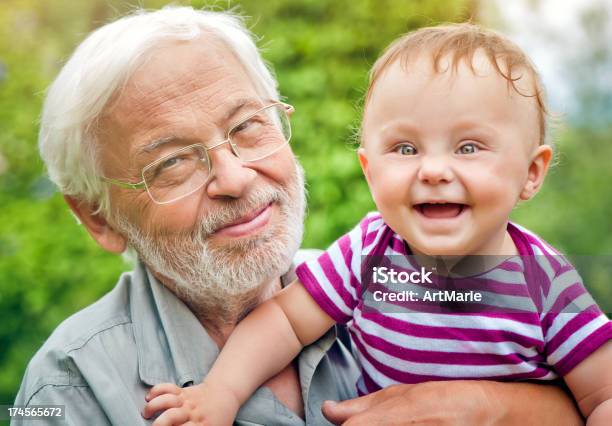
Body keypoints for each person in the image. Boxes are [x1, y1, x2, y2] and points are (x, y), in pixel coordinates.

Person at [13, 7, 585, 425]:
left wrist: (486, 406)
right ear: (98, 218)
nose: (235, 179)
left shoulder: (374, 282)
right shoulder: (71, 386)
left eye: (247, 128)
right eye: (172, 163)